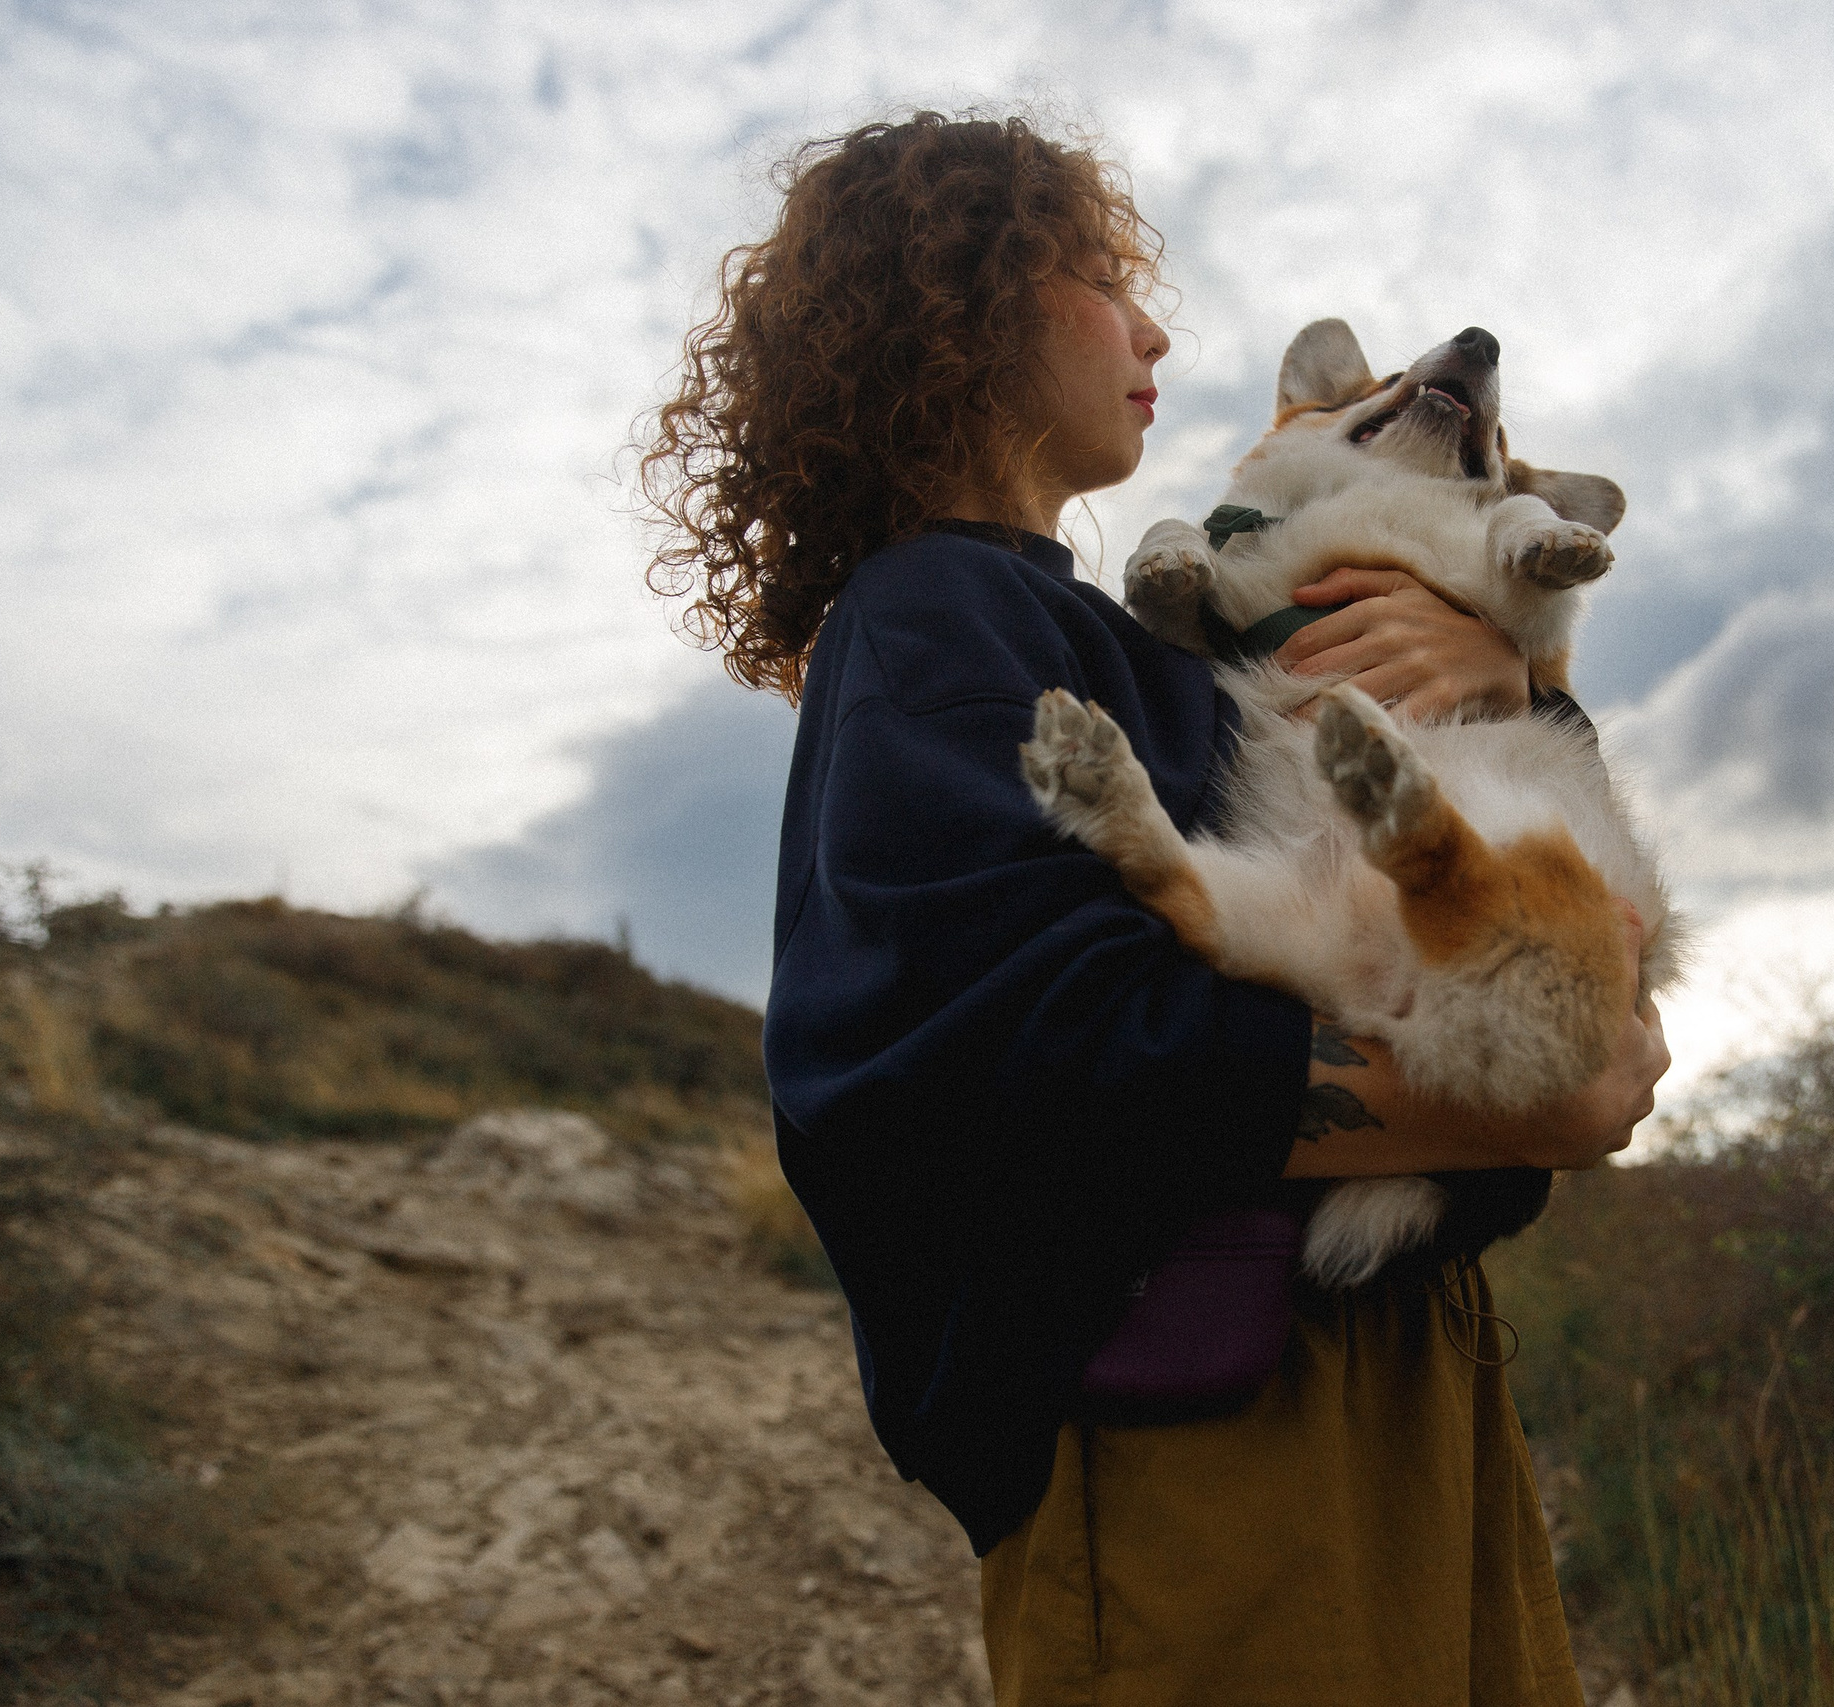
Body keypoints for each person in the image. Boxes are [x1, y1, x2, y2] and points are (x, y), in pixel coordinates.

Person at [642, 111, 1669, 1706]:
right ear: (967, 300)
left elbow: (1492, 863)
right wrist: (1526, 1099)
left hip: (1407, 1377)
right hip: (1197, 1444)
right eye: (1103, 278)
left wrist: (1513, 675)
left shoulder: (1151, 655)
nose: (1158, 331)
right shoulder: (934, 613)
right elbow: (994, 1064)